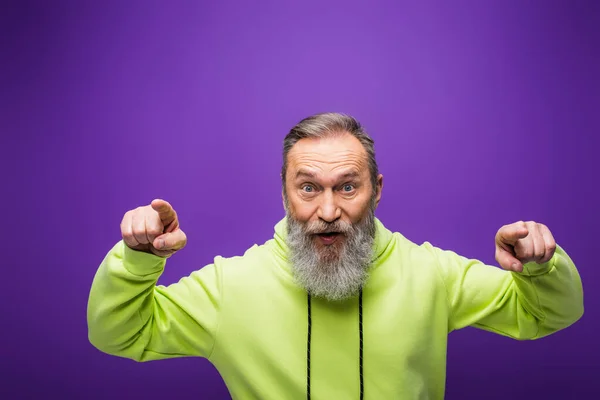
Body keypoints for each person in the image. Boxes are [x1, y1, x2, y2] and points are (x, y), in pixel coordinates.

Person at [87, 113, 584, 399]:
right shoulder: (230, 287)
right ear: (284, 194)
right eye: (308, 188)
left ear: (377, 190)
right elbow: (119, 334)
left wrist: (543, 265)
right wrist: (136, 261)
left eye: (347, 186)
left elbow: (550, 313)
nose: (328, 210)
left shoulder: (431, 273)